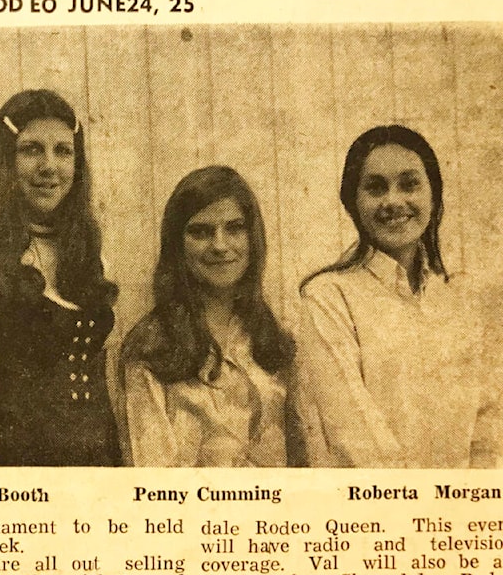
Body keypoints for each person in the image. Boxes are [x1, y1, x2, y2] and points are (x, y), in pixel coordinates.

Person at [290, 125, 503, 468]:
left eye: (409, 184)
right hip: (379, 507)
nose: (392, 201)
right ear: (353, 202)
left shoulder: (460, 300)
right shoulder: (329, 298)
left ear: (433, 196)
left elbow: (489, 430)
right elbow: (355, 437)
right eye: (375, 188)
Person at [0, 89, 120, 466]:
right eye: (31, 150)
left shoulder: (88, 257)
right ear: (4, 161)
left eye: (63, 151)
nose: (49, 166)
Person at [120, 166, 295, 467]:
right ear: (177, 245)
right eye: (201, 232)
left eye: (234, 228)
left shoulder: (275, 340)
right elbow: (153, 476)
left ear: (253, 239)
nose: (220, 245)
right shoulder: (151, 348)